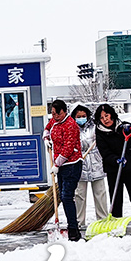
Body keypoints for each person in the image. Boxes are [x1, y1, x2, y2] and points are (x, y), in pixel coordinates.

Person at [94, 103, 131, 235]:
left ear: (111, 114)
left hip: (130, 169)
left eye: (106, 115)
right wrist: (115, 160)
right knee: (116, 200)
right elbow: (104, 152)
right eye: (101, 118)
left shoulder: (123, 127)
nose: (105, 119)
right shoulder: (100, 132)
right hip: (114, 171)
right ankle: (117, 228)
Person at [43, 99, 84, 241]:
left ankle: (74, 230)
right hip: (61, 166)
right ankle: (71, 227)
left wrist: (57, 165)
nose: (54, 116)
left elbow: (68, 149)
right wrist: (46, 137)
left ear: (64, 111)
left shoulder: (71, 125)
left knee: (67, 196)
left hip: (72, 165)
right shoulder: (55, 121)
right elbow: (48, 127)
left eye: (57, 113)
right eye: (52, 113)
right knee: (63, 196)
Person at [71, 104, 109, 231]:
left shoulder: (95, 126)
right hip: (79, 165)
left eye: (83, 116)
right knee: (79, 195)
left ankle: (103, 220)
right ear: (74, 116)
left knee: (100, 194)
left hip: (96, 164)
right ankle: (79, 222)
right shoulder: (71, 127)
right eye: (78, 116)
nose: (81, 118)